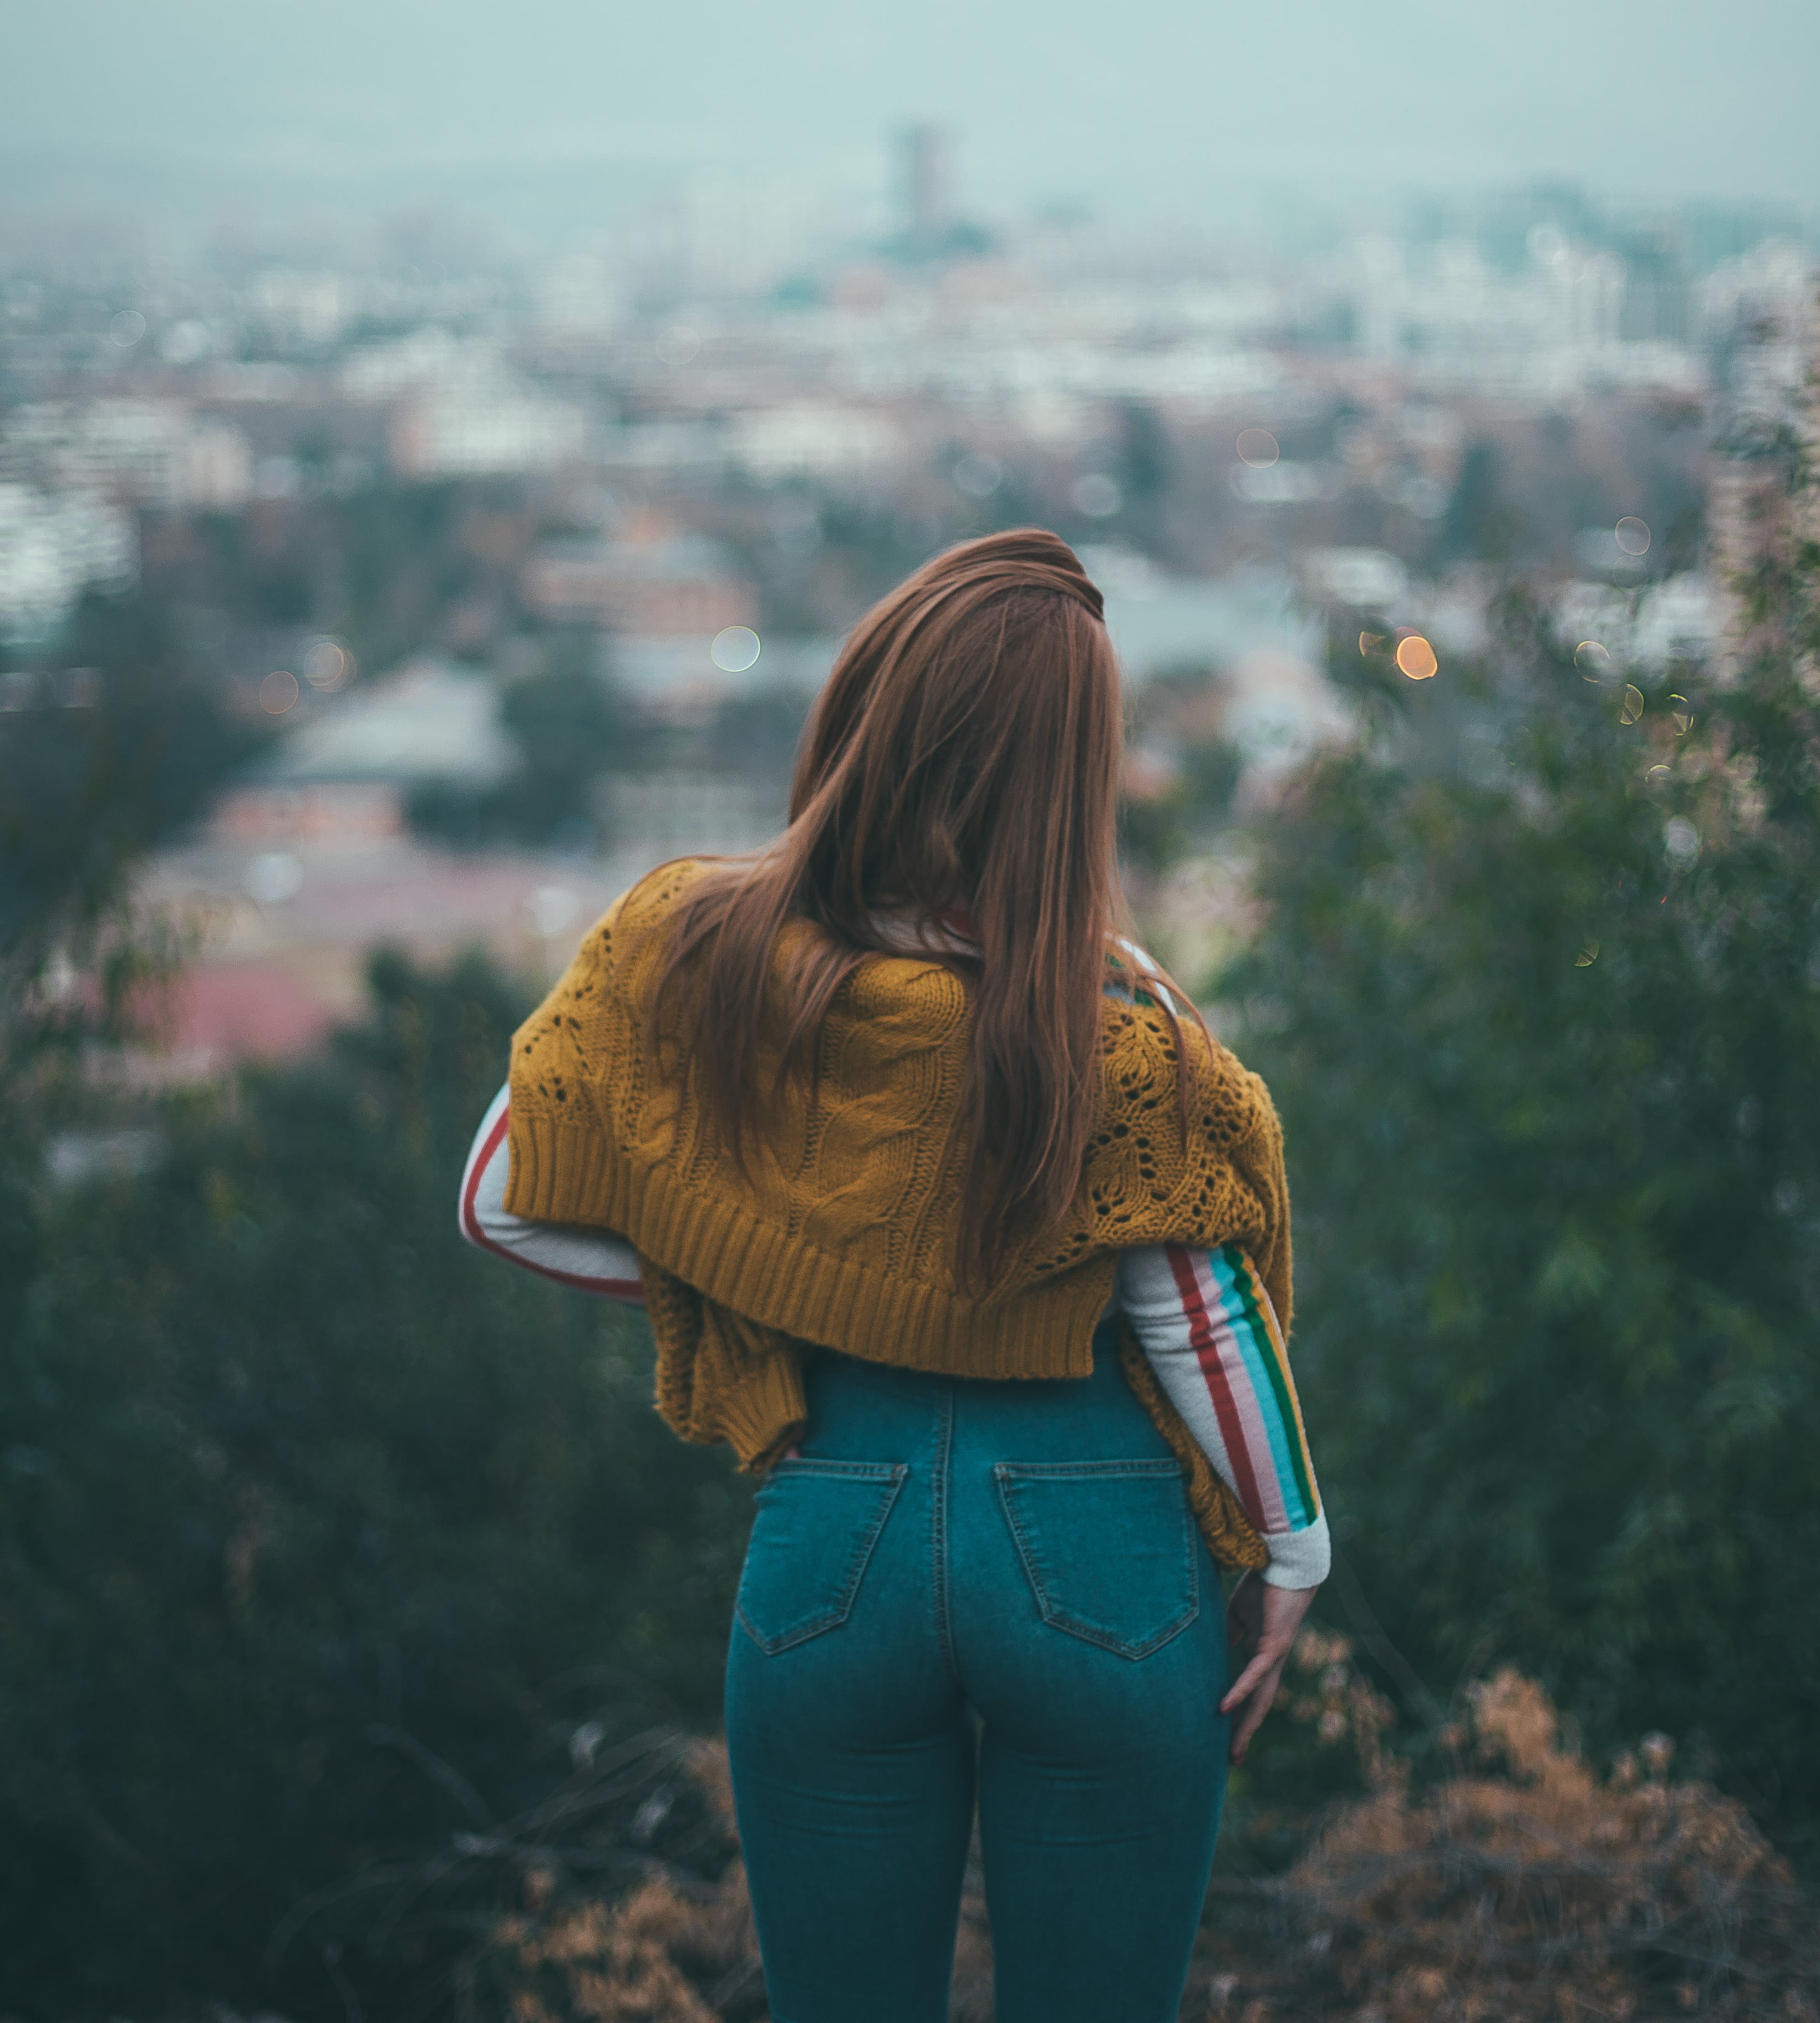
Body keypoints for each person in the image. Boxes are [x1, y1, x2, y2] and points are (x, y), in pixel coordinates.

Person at [457, 527, 1326, 2023]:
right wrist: (1292, 1548)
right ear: (1068, 788)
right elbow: (1192, 1310)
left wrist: (764, 1281)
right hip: (1099, 1553)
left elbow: (501, 1201)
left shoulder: (695, 961)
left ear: (870, 710)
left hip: (831, 1545)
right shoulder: (1113, 1045)